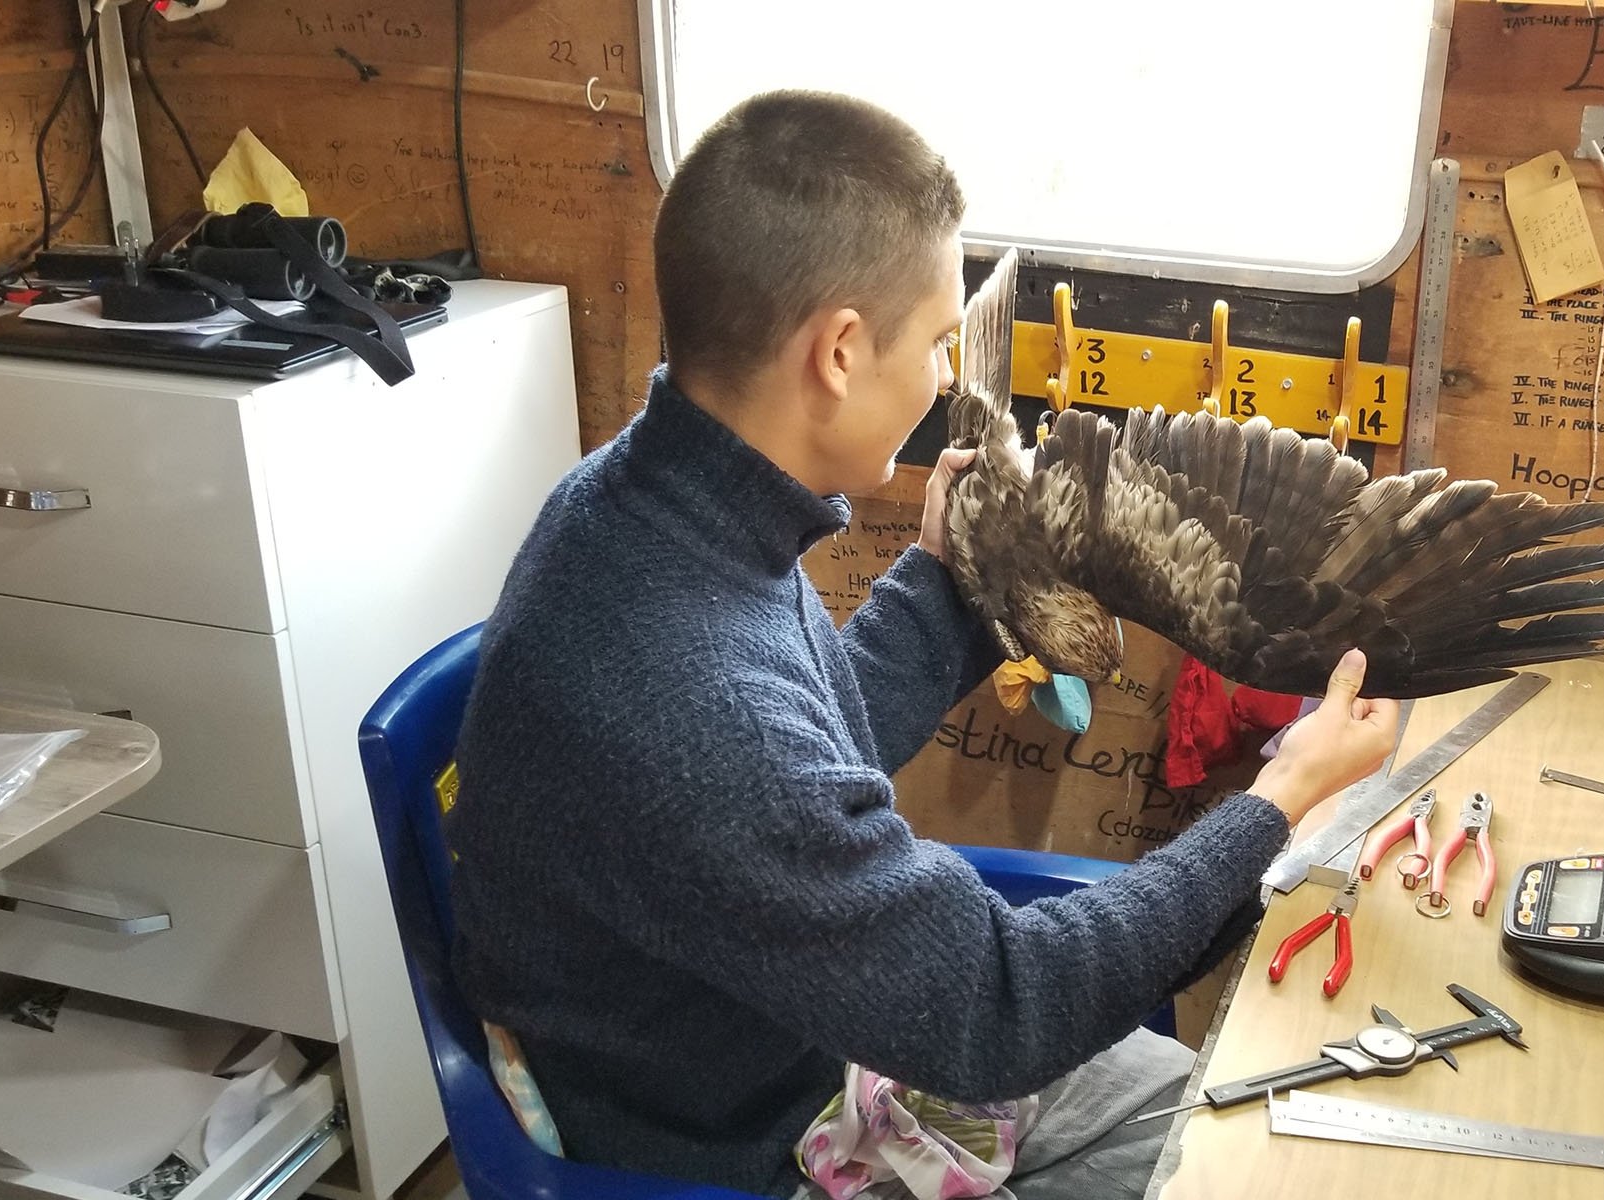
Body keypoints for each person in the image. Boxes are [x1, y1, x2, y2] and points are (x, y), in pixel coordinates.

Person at [447, 89, 1400, 1200]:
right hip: (752, 1146)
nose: (949, 378)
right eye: (942, 341)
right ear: (841, 351)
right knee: (1247, 1173)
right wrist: (1279, 802)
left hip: (819, 1027)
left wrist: (948, 578)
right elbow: (998, 1005)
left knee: (1242, 1116)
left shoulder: (652, 504)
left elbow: (806, 745)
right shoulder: (681, 693)